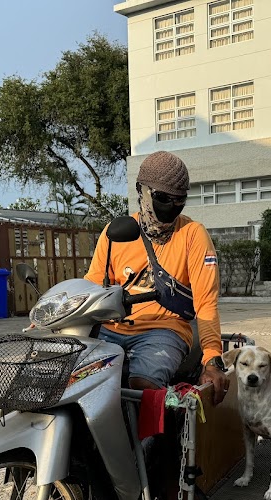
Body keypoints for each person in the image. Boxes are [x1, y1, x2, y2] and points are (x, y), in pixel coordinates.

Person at [85, 151, 228, 405]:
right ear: (142, 191)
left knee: (144, 385)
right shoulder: (116, 232)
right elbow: (92, 286)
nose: (171, 207)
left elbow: (206, 302)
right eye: (163, 198)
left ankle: (147, 444)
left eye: (179, 200)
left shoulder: (192, 234)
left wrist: (213, 358)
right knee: (75, 375)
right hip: (112, 327)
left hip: (165, 330)